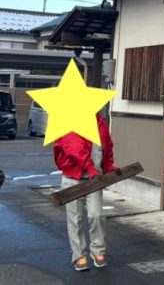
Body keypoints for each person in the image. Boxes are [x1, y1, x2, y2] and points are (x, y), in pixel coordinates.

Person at [53, 112, 116, 272]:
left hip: (94, 179)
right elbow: (75, 149)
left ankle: (98, 250)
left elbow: (106, 145)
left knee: (96, 215)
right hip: (73, 177)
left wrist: (108, 168)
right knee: (75, 219)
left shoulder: (99, 121)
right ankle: (79, 255)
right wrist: (90, 168)